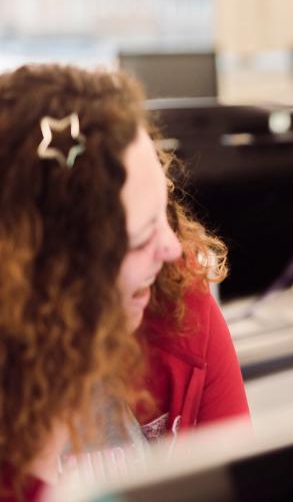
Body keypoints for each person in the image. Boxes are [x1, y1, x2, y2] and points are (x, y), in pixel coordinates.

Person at [0, 64, 249, 501]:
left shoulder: (174, 295)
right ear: (51, 272)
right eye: (140, 238)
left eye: (165, 212)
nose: (172, 247)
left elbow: (238, 482)